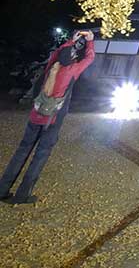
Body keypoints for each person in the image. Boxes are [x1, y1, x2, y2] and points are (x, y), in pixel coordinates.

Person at [0, 30, 95, 204]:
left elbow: (58, 54)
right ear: (73, 58)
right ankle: (23, 194)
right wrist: (90, 41)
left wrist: (69, 42)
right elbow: (89, 58)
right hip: (52, 120)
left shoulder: (51, 66)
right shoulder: (72, 70)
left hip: (36, 116)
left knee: (21, 152)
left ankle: (3, 189)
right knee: (40, 155)